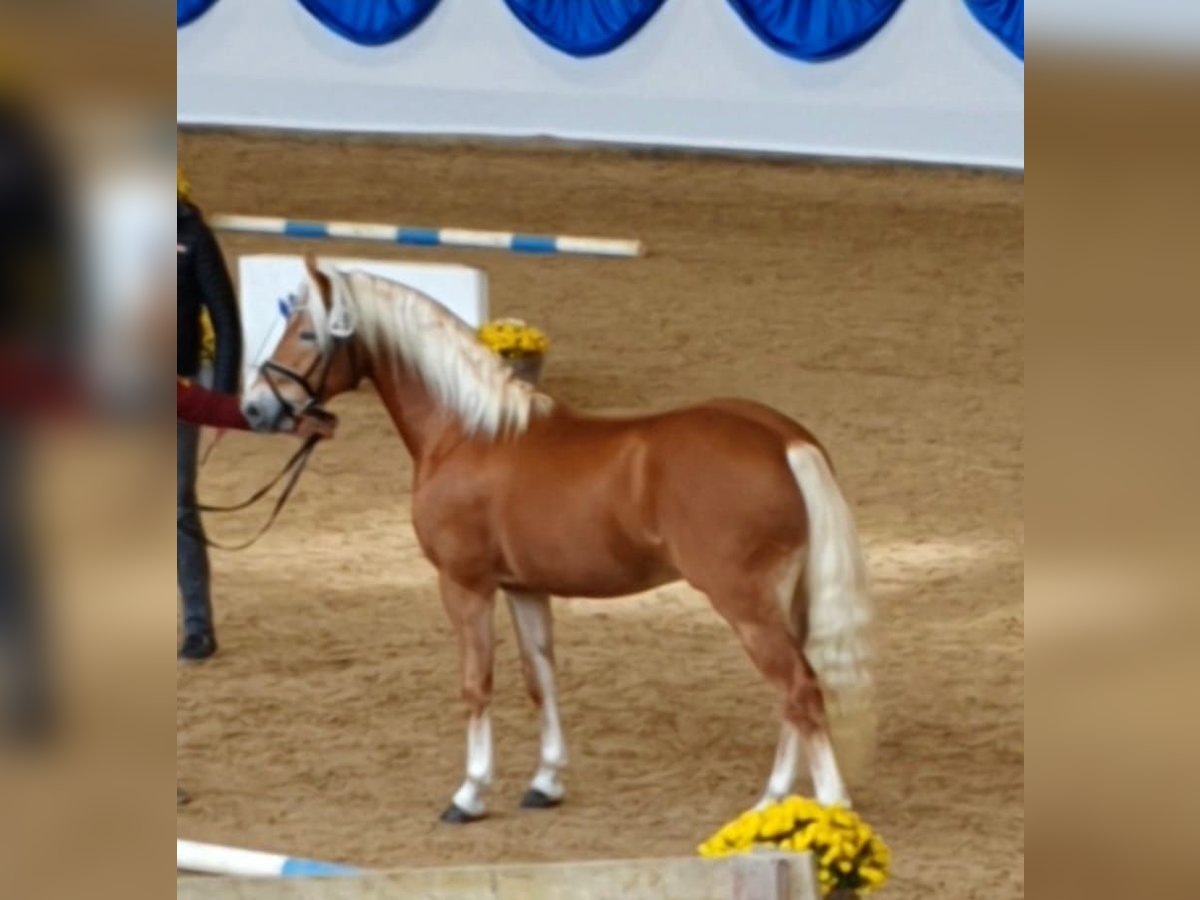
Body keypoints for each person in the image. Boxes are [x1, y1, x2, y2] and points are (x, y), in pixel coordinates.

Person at [177, 169, 242, 661]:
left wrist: (221, 398)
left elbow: (225, 318)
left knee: (176, 502)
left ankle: (198, 624)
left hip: (177, 384)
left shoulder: (194, 235)